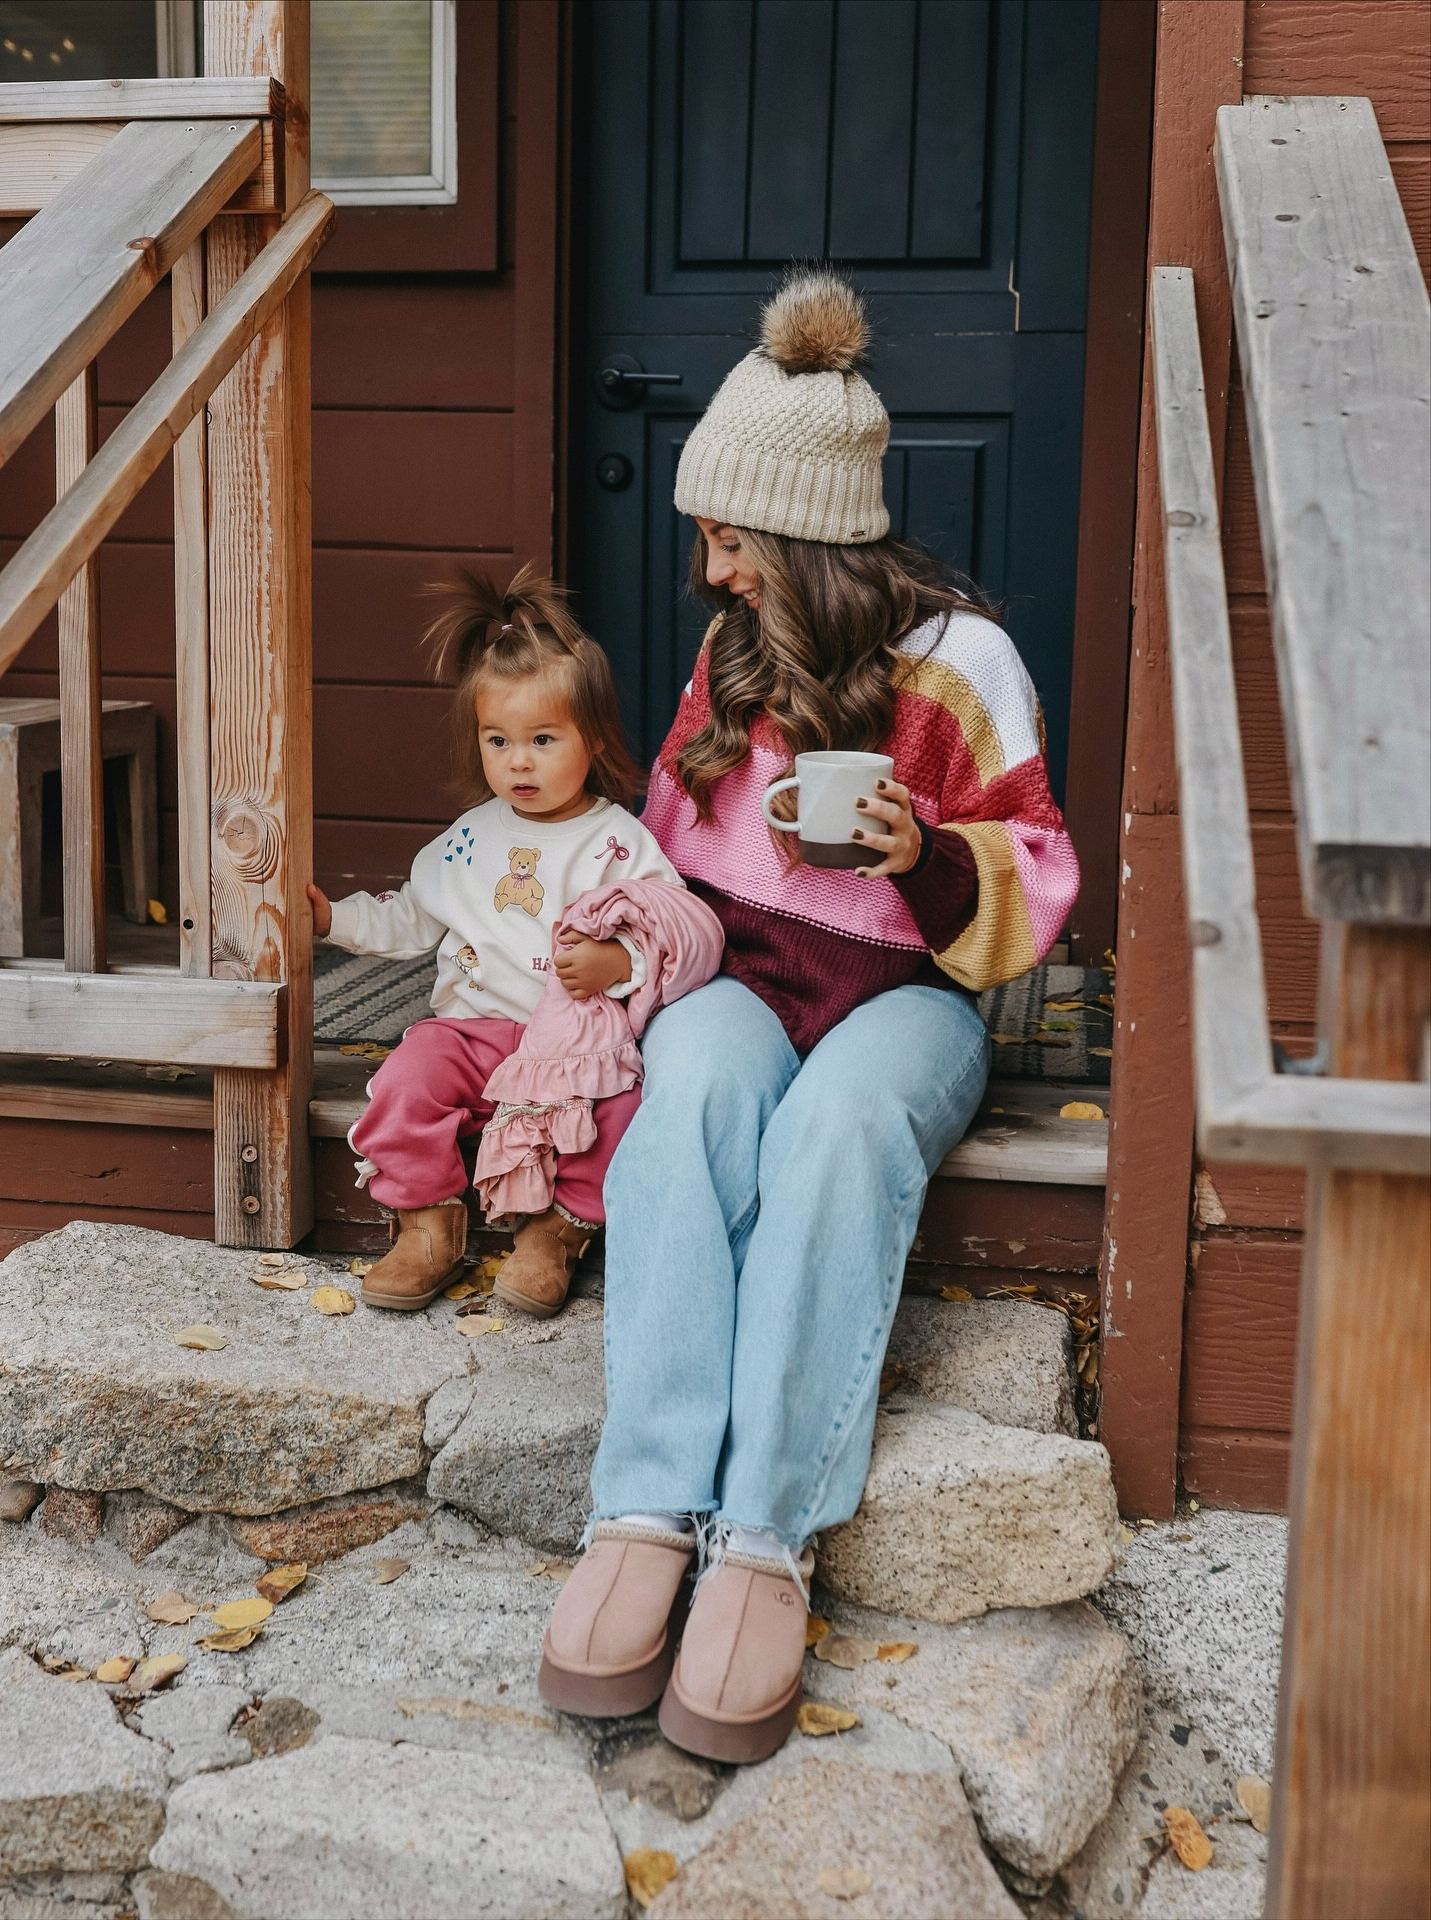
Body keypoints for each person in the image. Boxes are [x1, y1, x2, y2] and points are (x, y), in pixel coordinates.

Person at [539, 270, 1080, 1761]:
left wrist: (927, 855)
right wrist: (619, 937)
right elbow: (666, 838)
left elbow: (1038, 863)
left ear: (799, 534)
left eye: (727, 543)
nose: (712, 573)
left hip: (913, 991)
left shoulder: (963, 664)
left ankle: (765, 1539)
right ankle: (645, 1510)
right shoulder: (736, 658)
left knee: (840, 1131)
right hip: (749, 976)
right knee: (691, 1098)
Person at [308, 569, 684, 1319]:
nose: (519, 761)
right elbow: (412, 916)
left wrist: (619, 964)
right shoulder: (470, 839)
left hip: (570, 1046)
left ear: (595, 737)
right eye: (498, 740)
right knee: (407, 1077)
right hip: (472, 1034)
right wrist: (330, 922)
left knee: (624, 1109)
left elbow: (671, 931)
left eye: (543, 740)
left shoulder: (617, 841)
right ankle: (428, 1224)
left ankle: (555, 1233)